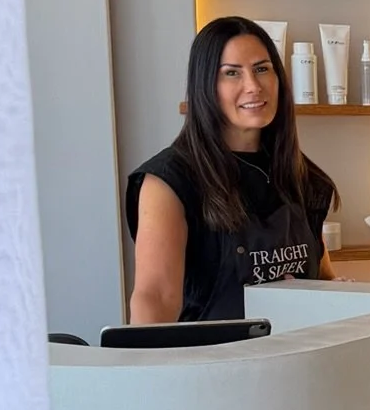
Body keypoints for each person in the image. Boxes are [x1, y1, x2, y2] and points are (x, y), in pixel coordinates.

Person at [126, 16, 337, 323]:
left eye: (262, 69)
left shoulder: (300, 174)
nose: (253, 86)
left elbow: (322, 276)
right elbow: (156, 297)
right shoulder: (169, 181)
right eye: (231, 73)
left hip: (298, 363)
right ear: (205, 85)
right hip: (213, 365)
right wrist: (148, 369)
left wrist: (343, 296)